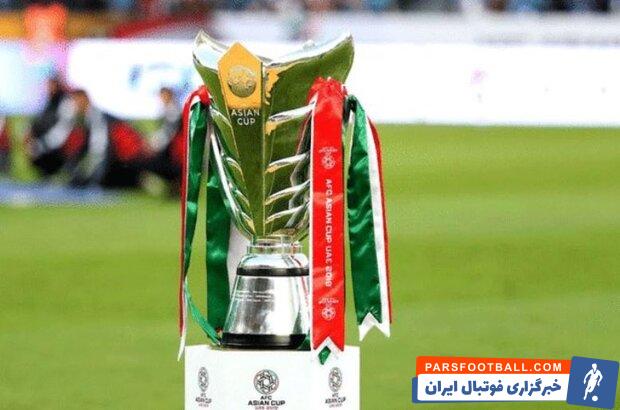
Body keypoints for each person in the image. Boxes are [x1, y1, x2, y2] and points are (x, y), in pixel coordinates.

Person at [66, 89, 147, 188]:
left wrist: (94, 175)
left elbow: (100, 148)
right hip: (123, 160)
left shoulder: (97, 117)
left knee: (93, 182)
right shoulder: (90, 117)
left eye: (75, 100)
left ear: (84, 99)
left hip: (127, 160)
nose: (74, 105)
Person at [140, 87, 184, 184]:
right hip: (169, 146)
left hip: (174, 149)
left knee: (150, 162)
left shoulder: (173, 111)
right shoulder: (168, 110)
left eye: (163, 96)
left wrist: (154, 144)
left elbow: (169, 133)